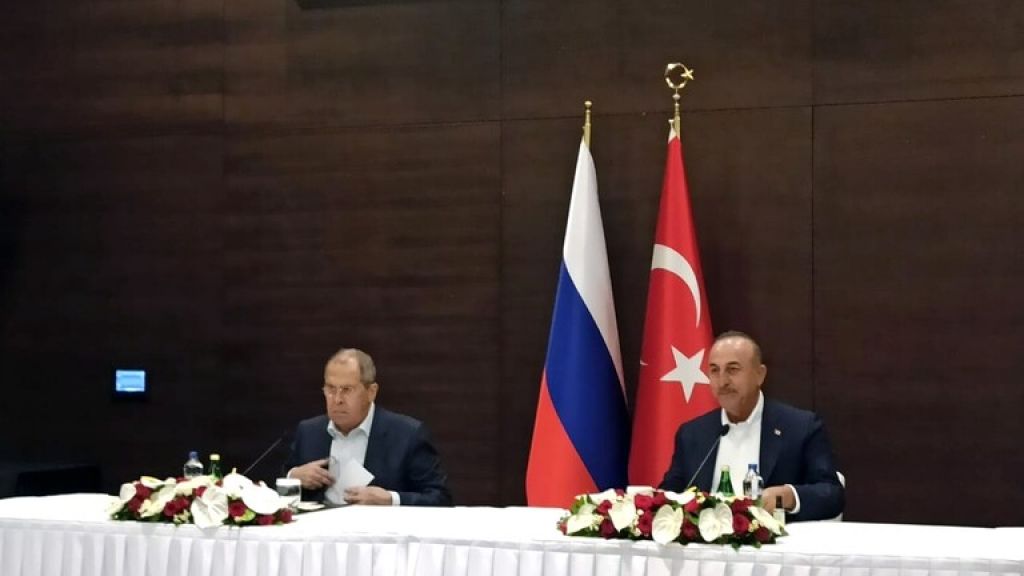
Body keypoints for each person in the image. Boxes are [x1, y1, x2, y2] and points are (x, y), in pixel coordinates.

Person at [659, 331, 844, 521]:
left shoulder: (800, 427)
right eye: (714, 370)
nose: (722, 381)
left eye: (732, 369)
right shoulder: (692, 434)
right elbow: (669, 494)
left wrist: (786, 496)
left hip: (775, 539)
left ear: (759, 375)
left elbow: (832, 494)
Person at [284, 348, 453, 506]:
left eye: (347, 389)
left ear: (371, 392)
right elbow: (279, 499)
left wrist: (391, 499)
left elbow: (440, 498)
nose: (337, 399)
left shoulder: (407, 434)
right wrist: (293, 477)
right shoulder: (309, 432)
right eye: (330, 389)